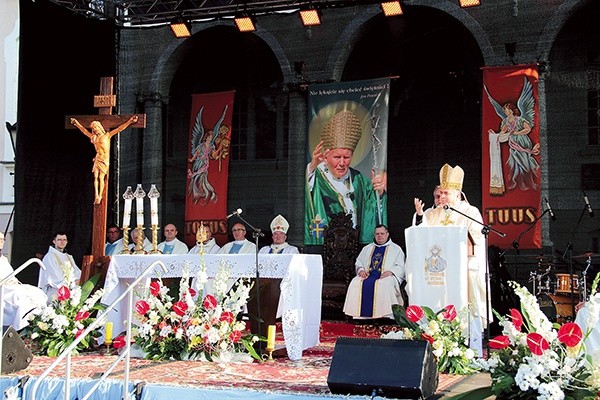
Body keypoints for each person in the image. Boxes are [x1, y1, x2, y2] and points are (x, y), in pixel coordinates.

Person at [412, 164, 489, 356]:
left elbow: (478, 238)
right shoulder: (432, 213)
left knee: (469, 305)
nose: (441, 197)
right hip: (439, 273)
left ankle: (472, 348)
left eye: (445, 193)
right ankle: (435, 341)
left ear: (457, 193)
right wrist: (420, 216)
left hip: (463, 270)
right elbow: (420, 237)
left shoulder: (470, 212)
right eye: (439, 194)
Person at [305, 109, 387, 246]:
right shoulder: (317, 176)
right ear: (326, 157)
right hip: (328, 246)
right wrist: (312, 166)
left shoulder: (358, 179)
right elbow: (308, 193)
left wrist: (379, 192)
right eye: (337, 157)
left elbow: (372, 208)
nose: (342, 163)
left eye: (347, 157)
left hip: (355, 244)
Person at [485, 78, 540, 193]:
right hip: (513, 143)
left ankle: (529, 182)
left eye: (506, 110)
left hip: (522, 141)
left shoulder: (519, 119)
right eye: (504, 110)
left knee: (524, 162)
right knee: (513, 163)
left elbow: (528, 129)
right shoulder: (505, 121)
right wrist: (494, 134)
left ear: (511, 110)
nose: (505, 111)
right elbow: (503, 133)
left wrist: (516, 133)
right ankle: (517, 183)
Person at [343, 224, 406, 320]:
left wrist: (391, 272)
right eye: (377, 234)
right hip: (368, 275)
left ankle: (386, 315)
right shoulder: (367, 248)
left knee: (384, 284)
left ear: (387, 234)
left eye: (382, 233)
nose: (379, 236)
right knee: (355, 282)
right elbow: (359, 262)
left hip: (386, 276)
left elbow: (401, 266)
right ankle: (359, 315)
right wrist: (361, 270)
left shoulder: (396, 249)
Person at [71, 116, 139, 204]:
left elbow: (119, 128)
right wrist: (76, 123)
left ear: (99, 127)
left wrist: (130, 121)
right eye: (93, 128)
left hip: (104, 159)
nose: (95, 129)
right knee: (95, 177)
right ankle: (97, 196)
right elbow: (84, 131)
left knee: (101, 177)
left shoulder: (107, 136)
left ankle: (100, 194)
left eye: (95, 127)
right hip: (98, 158)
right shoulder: (94, 138)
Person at [0, 232, 47, 330]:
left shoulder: (3, 259)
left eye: (2, 240)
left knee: (36, 292)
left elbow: (11, 275)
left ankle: (37, 324)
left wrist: (14, 281)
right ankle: (19, 327)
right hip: (4, 290)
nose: (1, 242)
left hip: (11, 286)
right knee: (20, 297)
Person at [38, 232, 81, 300]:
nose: (62, 242)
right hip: (55, 291)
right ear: (54, 241)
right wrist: (71, 284)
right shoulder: (49, 257)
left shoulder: (68, 257)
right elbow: (53, 278)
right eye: (59, 240)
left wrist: (78, 280)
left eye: (64, 240)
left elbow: (77, 272)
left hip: (71, 289)